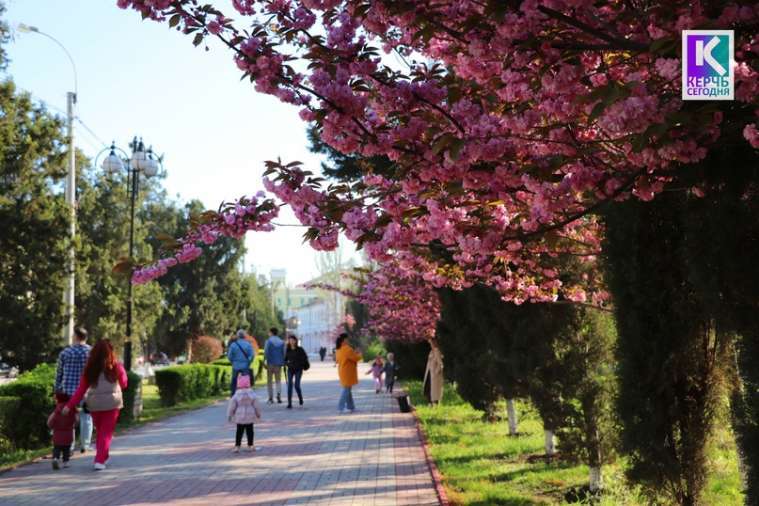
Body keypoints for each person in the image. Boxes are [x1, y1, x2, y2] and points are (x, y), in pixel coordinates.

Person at [63, 339, 128, 471]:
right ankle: (99, 460)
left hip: (95, 405)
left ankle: (103, 455)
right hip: (112, 403)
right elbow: (125, 383)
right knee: (106, 433)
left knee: (101, 432)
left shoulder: (90, 369)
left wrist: (69, 406)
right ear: (110, 352)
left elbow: (80, 390)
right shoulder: (117, 366)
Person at [54, 326, 93, 454]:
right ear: (85, 337)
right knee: (86, 417)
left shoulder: (65, 353)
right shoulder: (91, 352)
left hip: (67, 391)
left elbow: (59, 373)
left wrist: (57, 389)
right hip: (86, 391)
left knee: (69, 419)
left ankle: (69, 446)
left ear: (76, 336)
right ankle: (85, 445)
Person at [227, 374, 261, 453]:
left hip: (239, 415)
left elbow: (232, 405)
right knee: (250, 431)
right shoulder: (252, 394)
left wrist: (230, 414)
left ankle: (237, 446)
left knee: (239, 431)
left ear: (238, 384)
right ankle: (250, 445)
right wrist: (258, 414)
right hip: (250, 415)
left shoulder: (236, 395)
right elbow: (257, 405)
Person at [47, 393, 78, 470]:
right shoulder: (72, 407)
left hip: (57, 432)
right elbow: (77, 419)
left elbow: (50, 420)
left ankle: (55, 459)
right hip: (68, 432)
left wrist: (50, 425)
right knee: (66, 448)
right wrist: (75, 424)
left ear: (59, 399)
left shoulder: (57, 408)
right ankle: (65, 462)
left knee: (56, 448)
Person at [335, 333, 362, 414]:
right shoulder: (347, 349)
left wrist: (354, 353)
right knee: (346, 390)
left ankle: (351, 407)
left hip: (342, 371)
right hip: (348, 372)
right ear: (344, 340)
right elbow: (355, 358)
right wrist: (359, 354)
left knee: (348, 390)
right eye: (347, 339)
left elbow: (338, 360)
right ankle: (340, 407)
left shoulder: (338, 349)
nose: (348, 340)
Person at [284, 335, 309, 409]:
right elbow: (285, 359)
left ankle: (300, 398)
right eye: (290, 340)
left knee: (297, 385)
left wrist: (300, 363)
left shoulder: (300, 349)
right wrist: (286, 363)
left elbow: (305, 358)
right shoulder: (287, 349)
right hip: (290, 369)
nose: (291, 341)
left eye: (292, 340)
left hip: (298, 369)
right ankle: (289, 403)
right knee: (289, 386)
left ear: (295, 341)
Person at [228, 329, 255, 396]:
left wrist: (232, 362)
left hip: (236, 365)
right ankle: (246, 394)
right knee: (245, 381)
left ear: (238, 336)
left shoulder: (233, 345)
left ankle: (233, 394)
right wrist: (249, 362)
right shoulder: (248, 344)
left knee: (234, 380)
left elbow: (229, 356)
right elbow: (252, 355)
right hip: (245, 365)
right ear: (244, 336)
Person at [264, 327, 286, 404]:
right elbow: (284, 353)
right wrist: (284, 362)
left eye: (269, 332)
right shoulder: (282, 342)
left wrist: (264, 361)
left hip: (270, 363)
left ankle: (270, 398)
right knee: (278, 381)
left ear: (271, 333)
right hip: (278, 364)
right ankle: (279, 396)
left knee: (269, 381)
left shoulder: (268, 341)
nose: (268, 333)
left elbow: (266, 352)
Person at [423, 340, 444, 405]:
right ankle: (430, 402)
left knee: (434, 390)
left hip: (434, 375)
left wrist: (436, 372)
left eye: (431, 343)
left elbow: (440, 364)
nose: (430, 345)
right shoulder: (431, 351)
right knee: (428, 387)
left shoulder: (437, 351)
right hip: (429, 373)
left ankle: (435, 403)